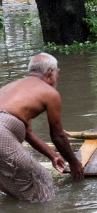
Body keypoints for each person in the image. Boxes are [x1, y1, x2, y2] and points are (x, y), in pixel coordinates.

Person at [0, 52, 84, 203]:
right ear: (50, 72)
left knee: (15, 191)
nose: (58, 76)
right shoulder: (49, 92)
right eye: (58, 72)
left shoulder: (11, 87)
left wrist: (52, 155)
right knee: (43, 180)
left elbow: (28, 133)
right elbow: (58, 135)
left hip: (3, 132)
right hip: (2, 134)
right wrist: (74, 162)